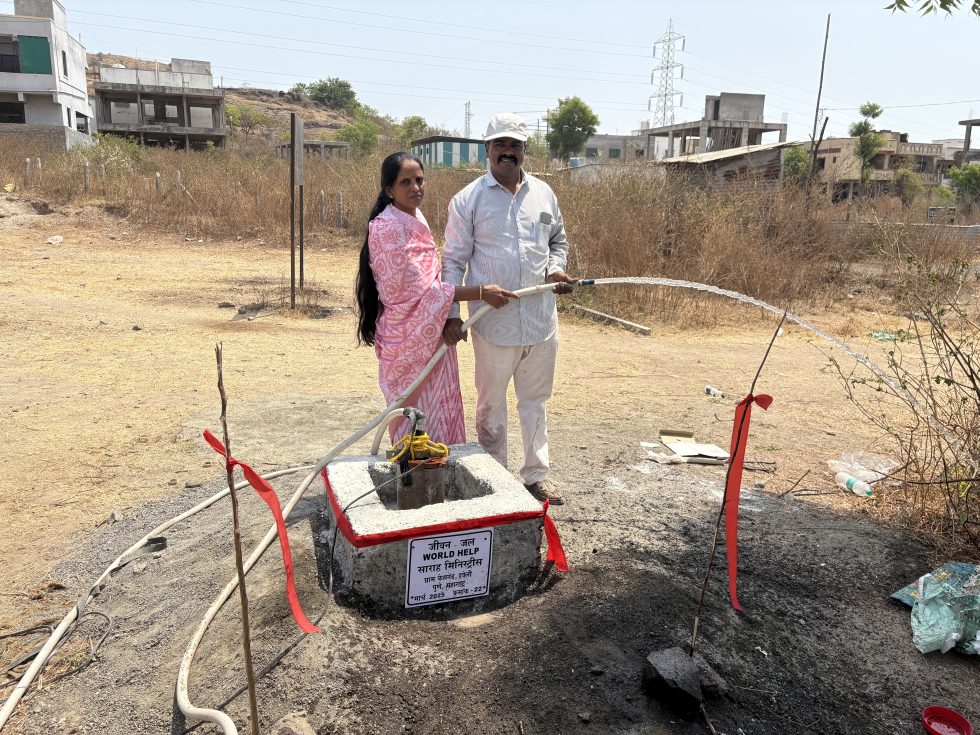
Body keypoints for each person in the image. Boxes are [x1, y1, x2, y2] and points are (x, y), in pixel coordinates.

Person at [441, 114, 577, 505]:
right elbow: (453, 262)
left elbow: (557, 241)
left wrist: (555, 269)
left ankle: (536, 476)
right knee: (491, 405)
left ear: (523, 150)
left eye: (515, 145)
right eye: (500, 144)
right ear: (486, 149)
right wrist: (453, 315)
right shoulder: (468, 200)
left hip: (540, 322)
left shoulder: (544, 194)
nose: (507, 152)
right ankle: (495, 481)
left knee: (535, 402)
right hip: (493, 324)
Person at [355, 152, 516, 446]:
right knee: (411, 420)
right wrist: (482, 292)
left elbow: (431, 287)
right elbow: (419, 293)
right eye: (405, 182)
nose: (415, 187)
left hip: (430, 329)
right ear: (389, 189)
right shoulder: (387, 228)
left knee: (440, 410)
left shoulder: (415, 218)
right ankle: (412, 471)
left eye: (419, 180)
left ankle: (440, 467)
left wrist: (450, 314)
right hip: (408, 338)